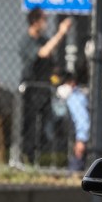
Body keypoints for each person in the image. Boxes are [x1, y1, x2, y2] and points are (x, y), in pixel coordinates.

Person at [20, 8, 72, 164]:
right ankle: (26, 158)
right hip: (31, 89)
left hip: (45, 89)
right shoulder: (27, 41)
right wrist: (61, 33)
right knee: (30, 126)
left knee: (45, 126)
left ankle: (39, 156)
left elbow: (51, 61)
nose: (46, 23)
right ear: (35, 21)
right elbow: (43, 52)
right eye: (44, 19)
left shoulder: (44, 39)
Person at [60, 68, 102, 173]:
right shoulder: (87, 93)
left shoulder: (75, 97)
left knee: (77, 165)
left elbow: (83, 121)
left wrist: (81, 140)